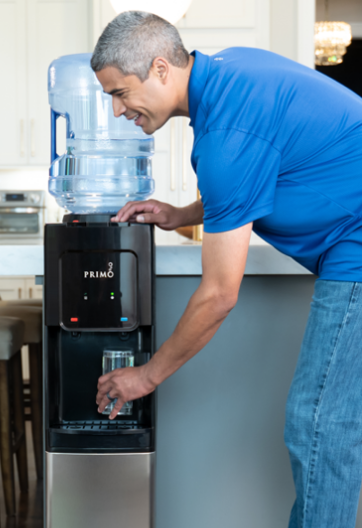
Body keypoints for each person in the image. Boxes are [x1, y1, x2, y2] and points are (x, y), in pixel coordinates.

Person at [91, 11, 362, 528]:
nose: (118, 109)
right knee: (322, 421)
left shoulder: (227, 133)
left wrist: (147, 376)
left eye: (121, 93)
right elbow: (267, 171)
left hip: (358, 244)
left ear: (161, 69)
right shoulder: (230, 75)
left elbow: (218, 295)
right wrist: (182, 213)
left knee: (321, 424)